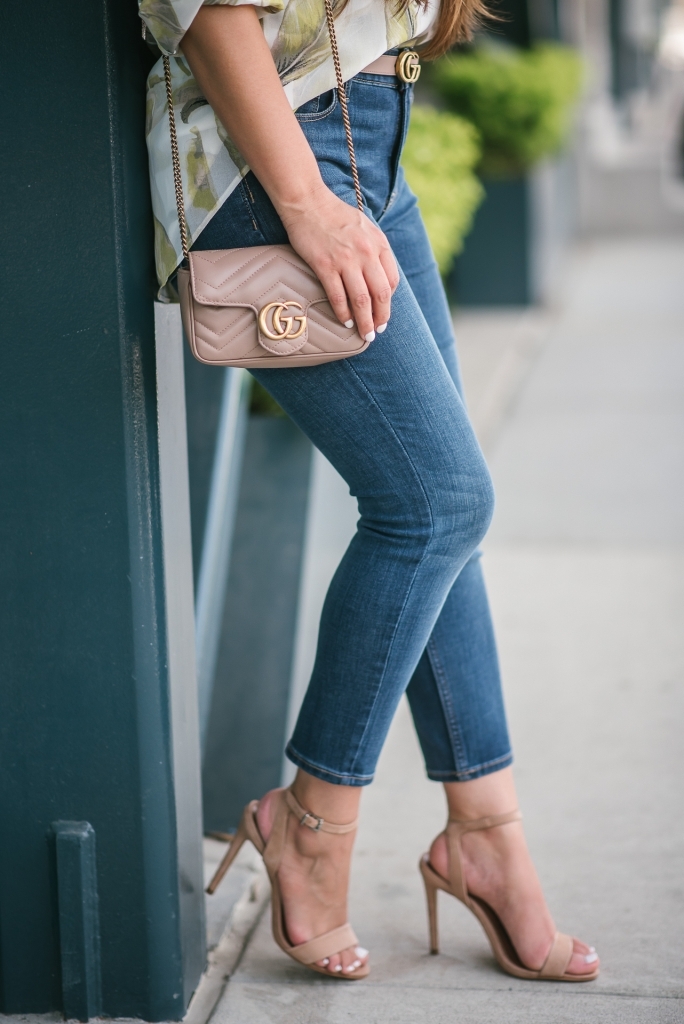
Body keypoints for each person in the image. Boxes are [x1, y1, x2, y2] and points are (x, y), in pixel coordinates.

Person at [140, 0, 600, 983]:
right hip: (276, 154)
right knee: (436, 503)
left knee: (443, 513)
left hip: (370, 133)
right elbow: (210, 13)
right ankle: (308, 823)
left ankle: (486, 832)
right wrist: (306, 205)